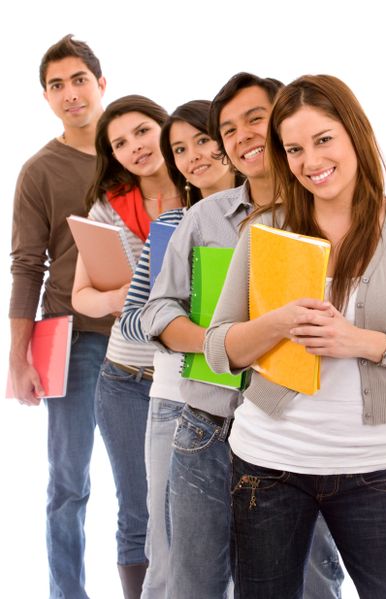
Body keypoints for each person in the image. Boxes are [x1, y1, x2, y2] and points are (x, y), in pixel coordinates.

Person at [204, 73, 386, 599]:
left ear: (355, 133)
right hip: (266, 466)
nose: (310, 162)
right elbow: (217, 348)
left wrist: (362, 342)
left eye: (323, 140)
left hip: (374, 469)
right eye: (293, 149)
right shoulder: (266, 230)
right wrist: (275, 323)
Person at [139, 73, 344, 599]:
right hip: (207, 426)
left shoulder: (328, 212)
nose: (243, 135)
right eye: (228, 129)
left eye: (256, 118)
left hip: (299, 430)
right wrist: (227, 340)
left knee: (313, 580)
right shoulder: (204, 217)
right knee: (195, 582)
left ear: (283, 123)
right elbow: (158, 309)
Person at [119, 99, 243, 599]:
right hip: (179, 400)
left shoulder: (280, 215)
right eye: (180, 149)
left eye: (203, 140)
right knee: (170, 556)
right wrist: (177, 320)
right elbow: (133, 320)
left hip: (258, 402)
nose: (194, 155)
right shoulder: (173, 224)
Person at [8, 35, 112, 599]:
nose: (70, 93)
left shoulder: (139, 150)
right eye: (56, 85)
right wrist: (17, 357)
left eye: (78, 79)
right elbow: (27, 265)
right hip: (74, 341)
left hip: (150, 340)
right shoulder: (39, 171)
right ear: (46, 97)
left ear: (102, 82)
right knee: (69, 485)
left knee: (150, 485)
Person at [71, 94, 183, 599]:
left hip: (187, 379)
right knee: (136, 510)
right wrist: (126, 296)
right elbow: (82, 298)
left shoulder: (203, 193)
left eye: (142, 131)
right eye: (119, 143)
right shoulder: (106, 208)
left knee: (190, 511)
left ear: (164, 128)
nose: (135, 147)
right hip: (124, 379)